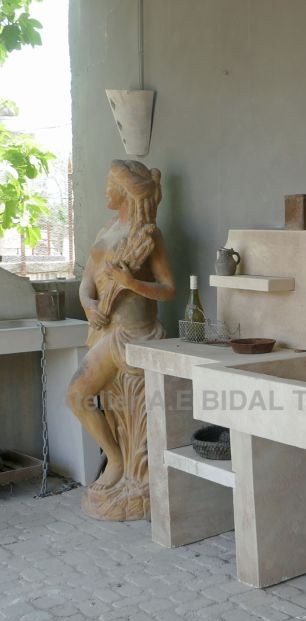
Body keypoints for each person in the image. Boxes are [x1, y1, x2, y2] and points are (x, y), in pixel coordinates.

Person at [68, 160, 175, 511]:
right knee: (77, 396)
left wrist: (130, 283)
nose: (104, 191)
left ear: (126, 192)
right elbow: (88, 281)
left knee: (82, 395)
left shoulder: (147, 236)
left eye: (109, 185)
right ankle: (115, 459)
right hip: (105, 332)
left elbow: (169, 289)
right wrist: (88, 305)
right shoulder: (106, 229)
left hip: (135, 335)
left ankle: (134, 477)